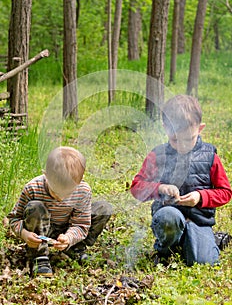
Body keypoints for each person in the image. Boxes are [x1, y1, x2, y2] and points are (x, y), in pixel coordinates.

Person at [130, 95, 232, 266]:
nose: (182, 145)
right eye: (175, 140)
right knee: (169, 217)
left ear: (200, 129)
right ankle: (166, 247)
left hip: (199, 221)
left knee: (202, 261)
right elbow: (136, 188)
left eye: (188, 139)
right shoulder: (158, 156)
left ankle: (205, 240)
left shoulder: (210, 156)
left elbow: (225, 192)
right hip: (168, 216)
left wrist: (200, 197)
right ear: (165, 129)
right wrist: (160, 188)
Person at [7, 146, 113, 277]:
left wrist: (69, 237)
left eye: (68, 193)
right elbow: (14, 219)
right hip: (42, 229)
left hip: (67, 227)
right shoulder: (33, 188)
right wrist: (24, 234)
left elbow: (81, 224)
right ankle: (38, 255)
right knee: (35, 206)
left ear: (79, 181)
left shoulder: (83, 191)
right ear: (46, 175)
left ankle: (75, 247)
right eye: (55, 191)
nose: (61, 198)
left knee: (104, 209)